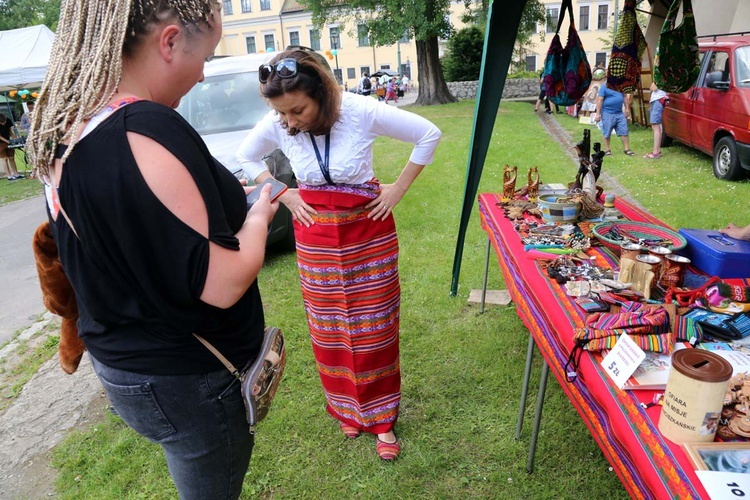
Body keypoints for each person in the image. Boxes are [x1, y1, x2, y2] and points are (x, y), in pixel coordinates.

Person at [25, 1, 278, 498]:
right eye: (204, 56)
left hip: (123, 366)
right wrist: (258, 216)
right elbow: (224, 283)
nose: (203, 74)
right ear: (167, 43)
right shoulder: (146, 128)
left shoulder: (64, 131)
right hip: (188, 376)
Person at [236, 49, 442, 460]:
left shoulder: (361, 110)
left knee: (375, 327)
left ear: (322, 94)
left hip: (369, 233)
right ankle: (347, 408)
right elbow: (243, 156)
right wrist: (283, 191)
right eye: (282, 115)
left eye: (297, 110)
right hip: (315, 240)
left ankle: (382, 420)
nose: (290, 122)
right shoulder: (282, 123)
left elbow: (428, 134)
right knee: (330, 328)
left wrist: (397, 190)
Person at [592, 83, 635, 156]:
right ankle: (607, 150)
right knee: (607, 132)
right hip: (607, 113)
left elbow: (624, 97)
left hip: (619, 113)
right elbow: (599, 100)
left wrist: (627, 109)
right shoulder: (604, 86)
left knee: (624, 130)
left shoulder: (621, 85)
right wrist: (598, 113)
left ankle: (627, 149)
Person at [644, 82, 668, 159]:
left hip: (658, 100)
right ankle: (657, 150)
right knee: (655, 127)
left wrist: (652, 85)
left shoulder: (660, 75)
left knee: (656, 126)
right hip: (657, 100)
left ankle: (656, 152)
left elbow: (653, 88)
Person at [0, 113, 22, 180]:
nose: (3, 123)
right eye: (1, 123)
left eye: (4, 122)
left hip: (8, 140)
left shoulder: (8, 120)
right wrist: (8, 142)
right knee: (4, 159)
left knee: (11, 158)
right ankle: (9, 176)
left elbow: (10, 131)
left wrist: (15, 138)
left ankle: (16, 174)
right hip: (1, 143)